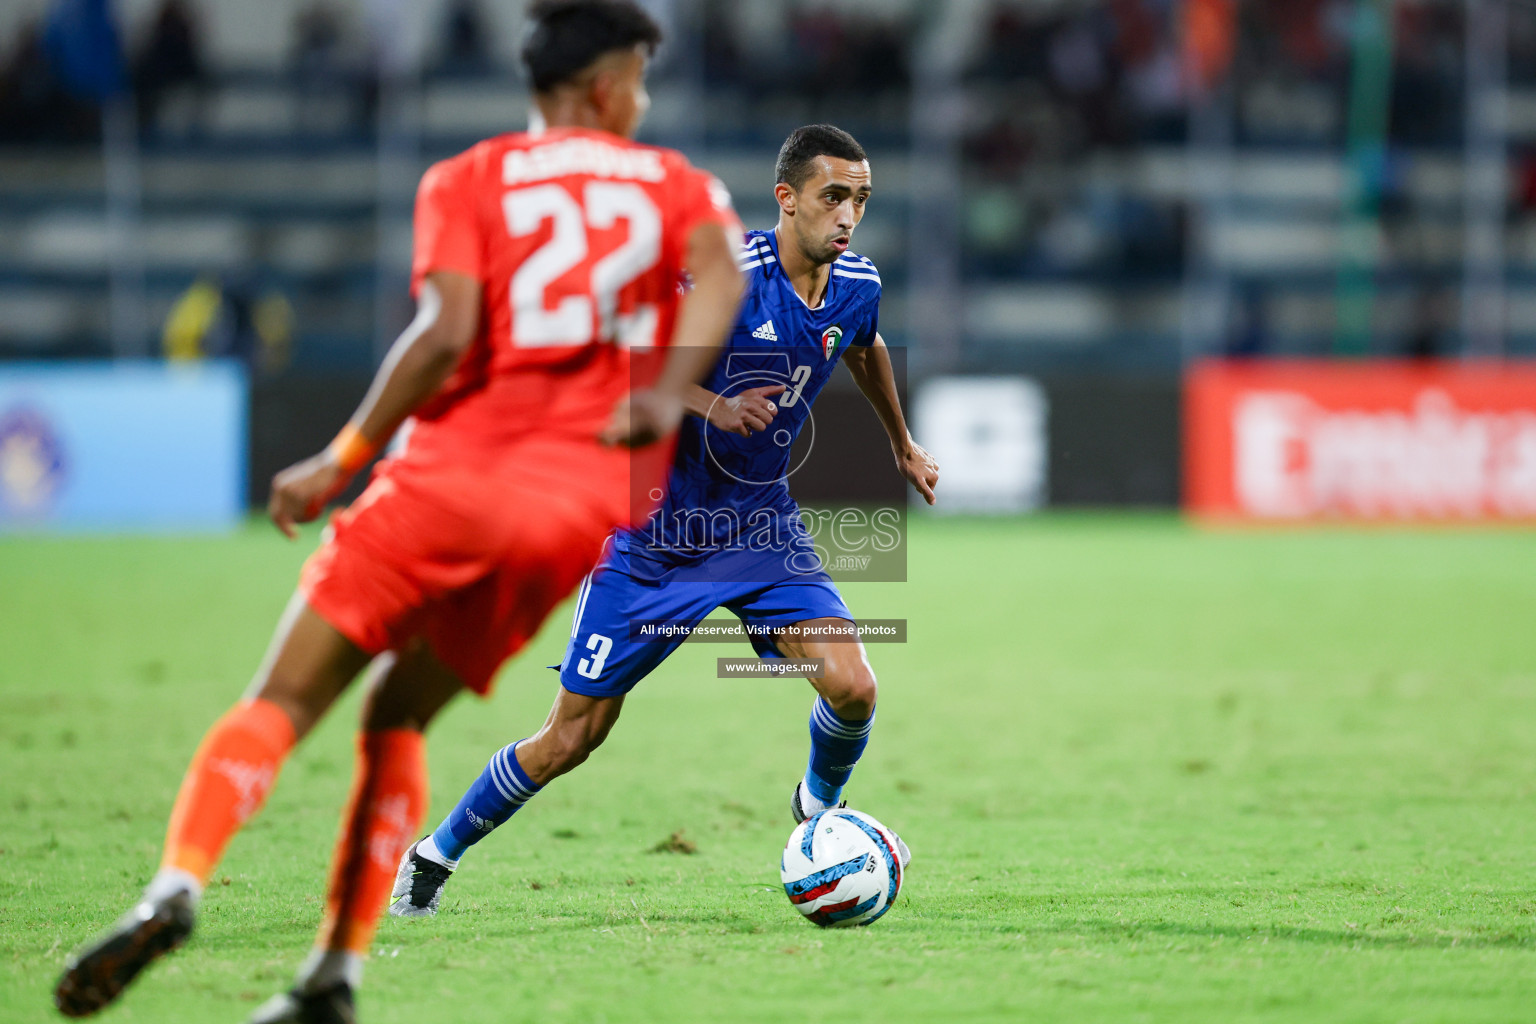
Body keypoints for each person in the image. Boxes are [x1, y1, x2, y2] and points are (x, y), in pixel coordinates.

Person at [53, 3, 744, 1021]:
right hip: (569, 515)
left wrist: (342, 455)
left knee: (285, 697)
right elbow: (723, 275)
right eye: (638, 80)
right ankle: (335, 972)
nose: (641, 102)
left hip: (448, 483)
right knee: (398, 718)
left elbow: (442, 335)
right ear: (604, 85)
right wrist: (663, 385)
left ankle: (176, 886)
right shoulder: (680, 185)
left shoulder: (466, 178)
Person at [388, 124, 938, 919]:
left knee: (854, 685)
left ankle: (818, 811)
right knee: (570, 739)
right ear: (786, 200)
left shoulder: (857, 282)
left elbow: (862, 345)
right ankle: (434, 855)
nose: (849, 214)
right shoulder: (729, 276)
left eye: (861, 199)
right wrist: (717, 405)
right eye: (833, 197)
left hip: (760, 530)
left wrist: (902, 443)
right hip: (656, 542)